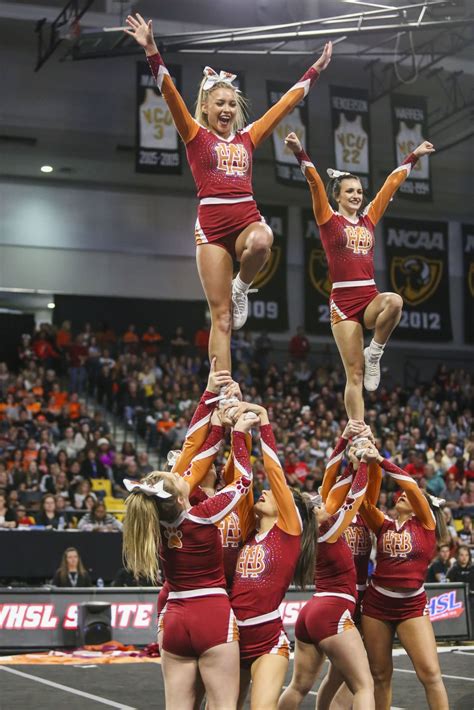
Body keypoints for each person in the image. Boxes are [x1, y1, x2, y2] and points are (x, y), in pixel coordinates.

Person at [125, 12, 332, 369]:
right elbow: (170, 93)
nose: (226, 109)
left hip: (246, 216)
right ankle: (221, 388)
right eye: (219, 103)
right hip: (211, 228)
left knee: (263, 241)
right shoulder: (195, 135)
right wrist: (152, 50)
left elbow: (285, 105)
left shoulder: (248, 137)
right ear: (205, 107)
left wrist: (314, 70)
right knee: (221, 319)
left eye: (232, 104)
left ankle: (242, 286)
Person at [284, 131, 435, 420]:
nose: (356, 195)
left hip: (368, 296)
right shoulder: (328, 220)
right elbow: (315, 184)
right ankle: (357, 428)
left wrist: (413, 157)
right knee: (354, 375)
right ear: (337, 196)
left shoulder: (368, 219)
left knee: (395, 302)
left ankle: (375, 352)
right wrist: (300, 153)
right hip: (343, 302)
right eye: (349, 191)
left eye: (359, 191)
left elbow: (390, 186)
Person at [122, 411, 254, 710]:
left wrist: (217, 426)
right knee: (223, 705)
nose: (186, 478)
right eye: (180, 483)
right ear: (182, 499)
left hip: (175, 618)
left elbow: (196, 462)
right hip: (211, 614)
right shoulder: (203, 516)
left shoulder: (152, 523)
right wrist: (239, 436)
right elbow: (244, 481)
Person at [221, 402, 316, 710]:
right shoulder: (250, 531)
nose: (266, 491)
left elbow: (274, 472)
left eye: (273, 493)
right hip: (233, 636)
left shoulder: (288, 531)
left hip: (267, 641)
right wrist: (239, 434)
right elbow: (242, 477)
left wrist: (263, 420)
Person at [279, 443, 374, 710]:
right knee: (364, 684)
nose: (323, 506)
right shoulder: (329, 530)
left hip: (312, 612)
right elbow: (354, 498)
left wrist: (349, 461)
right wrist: (363, 466)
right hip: (333, 610)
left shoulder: (305, 533)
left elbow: (335, 487)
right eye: (317, 506)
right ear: (313, 515)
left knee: (298, 686)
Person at [359, 445, 449, 710]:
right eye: (398, 496)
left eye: (407, 497)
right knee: (379, 675)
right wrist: (365, 465)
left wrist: (382, 461)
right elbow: (364, 504)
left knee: (430, 674)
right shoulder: (384, 524)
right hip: (377, 604)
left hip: (411, 605)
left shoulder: (426, 523)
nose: (401, 496)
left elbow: (410, 486)